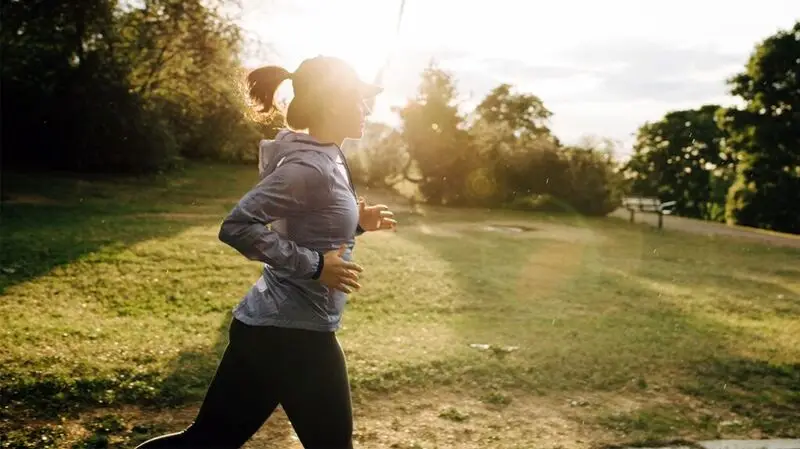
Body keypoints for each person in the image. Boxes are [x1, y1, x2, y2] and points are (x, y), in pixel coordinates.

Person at [135, 55, 397, 449]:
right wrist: (314, 267)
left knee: (207, 441)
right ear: (329, 104)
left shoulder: (330, 156)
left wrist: (359, 223)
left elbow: (312, 225)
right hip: (292, 336)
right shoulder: (310, 168)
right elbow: (237, 227)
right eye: (357, 99)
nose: (365, 108)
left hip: (276, 331)